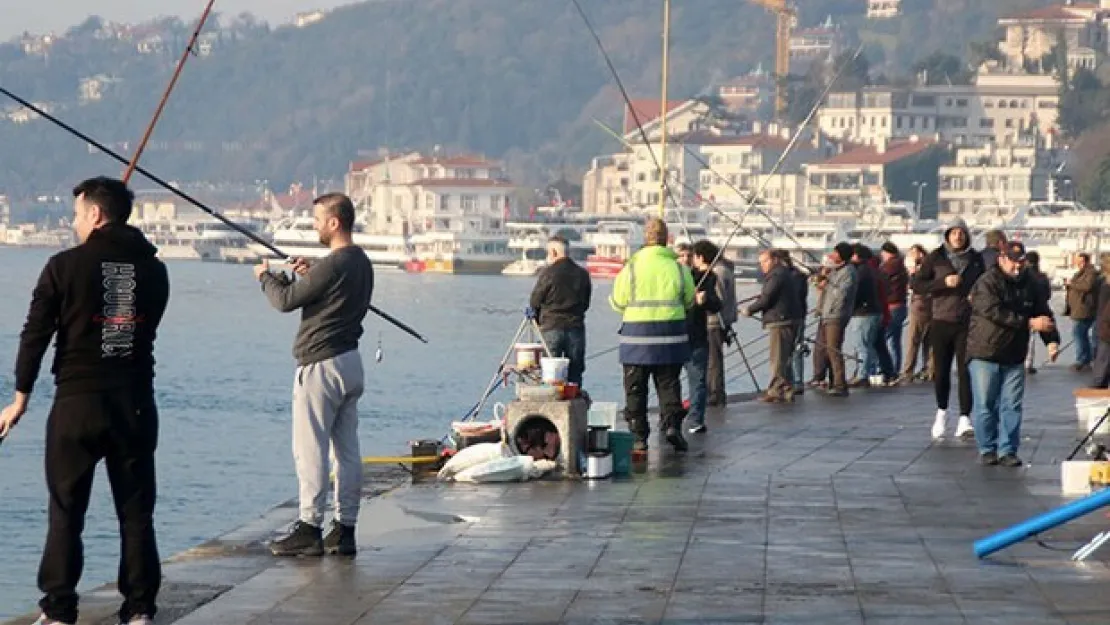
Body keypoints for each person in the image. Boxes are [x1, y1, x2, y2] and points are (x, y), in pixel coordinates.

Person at [0, 177, 170, 625]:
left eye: (77, 214)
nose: (74, 223)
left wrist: (20, 397)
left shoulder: (63, 266)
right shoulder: (155, 270)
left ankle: (58, 610)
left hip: (77, 403)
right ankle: (139, 610)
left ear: (95, 214)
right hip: (134, 403)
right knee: (136, 512)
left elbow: (35, 335)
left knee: (65, 510)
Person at [255, 193, 374, 558]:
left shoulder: (334, 263)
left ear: (335, 222)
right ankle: (345, 530)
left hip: (320, 365)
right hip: (351, 362)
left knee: (310, 449)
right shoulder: (361, 263)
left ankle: (309, 527)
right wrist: (311, 276)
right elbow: (330, 294)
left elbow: (285, 301)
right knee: (348, 451)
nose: (315, 226)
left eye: (318, 220)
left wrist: (265, 277)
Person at [967, 241, 1059, 467]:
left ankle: (1008, 449)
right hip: (985, 352)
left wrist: (1052, 340)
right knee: (985, 404)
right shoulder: (987, 282)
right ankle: (987, 447)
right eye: (1012, 261)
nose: (1017, 266)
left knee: (1012, 404)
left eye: (1020, 261)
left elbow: (1042, 312)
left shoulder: (1031, 283)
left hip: (1015, 353)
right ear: (1001, 259)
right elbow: (994, 312)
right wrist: (1029, 323)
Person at [610, 218, 695, 453]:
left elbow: (618, 302)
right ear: (666, 239)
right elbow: (689, 300)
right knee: (669, 385)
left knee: (635, 388)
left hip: (636, 337)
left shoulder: (631, 268)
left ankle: (639, 436)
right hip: (671, 335)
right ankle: (672, 427)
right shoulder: (679, 268)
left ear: (645, 238)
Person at [913, 218, 985, 440]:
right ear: (947, 236)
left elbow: (985, 283)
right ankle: (941, 412)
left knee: (966, 371)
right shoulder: (936, 257)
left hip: (966, 321)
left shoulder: (975, 259)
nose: (957, 236)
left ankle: (965, 418)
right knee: (941, 371)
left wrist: (976, 295)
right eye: (953, 233)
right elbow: (916, 284)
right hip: (940, 319)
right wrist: (943, 283)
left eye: (961, 233)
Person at [528, 235, 592, 386]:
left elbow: (535, 301)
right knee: (575, 373)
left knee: (550, 373)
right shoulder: (582, 274)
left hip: (551, 327)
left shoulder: (548, 273)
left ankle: (550, 405)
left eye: (548, 252)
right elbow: (585, 303)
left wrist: (537, 320)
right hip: (575, 327)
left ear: (554, 252)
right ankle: (574, 404)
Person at [742, 248, 804, 402]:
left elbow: (766, 298)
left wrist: (749, 310)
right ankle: (786, 389)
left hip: (780, 320)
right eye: (761, 262)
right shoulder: (785, 273)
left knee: (777, 358)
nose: (762, 265)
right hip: (789, 318)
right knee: (784, 357)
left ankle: (776, 390)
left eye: (765, 261)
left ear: (775, 260)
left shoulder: (776, 275)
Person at [677, 242, 721, 433]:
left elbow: (716, 304)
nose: (686, 259)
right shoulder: (672, 278)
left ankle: (696, 419)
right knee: (670, 381)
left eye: (689, 256)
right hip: (676, 335)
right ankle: (671, 417)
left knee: (698, 380)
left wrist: (705, 300)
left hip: (696, 334)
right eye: (682, 256)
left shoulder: (703, 277)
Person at [816, 242, 858, 397]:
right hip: (828, 314)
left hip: (836, 315)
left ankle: (840, 384)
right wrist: (823, 276)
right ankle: (833, 380)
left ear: (841, 255)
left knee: (834, 349)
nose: (832, 255)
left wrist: (830, 283)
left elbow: (841, 294)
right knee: (828, 349)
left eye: (835, 253)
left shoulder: (848, 272)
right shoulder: (835, 270)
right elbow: (823, 288)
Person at [704, 244, 737, 407]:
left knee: (713, 360)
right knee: (714, 359)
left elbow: (718, 299)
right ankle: (715, 391)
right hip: (724, 320)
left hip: (715, 321)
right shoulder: (727, 270)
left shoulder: (717, 273)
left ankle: (715, 393)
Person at [900, 244, 933, 383]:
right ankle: (930, 370)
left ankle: (909, 371)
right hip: (929, 304)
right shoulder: (931, 266)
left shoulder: (923, 269)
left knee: (914, 339)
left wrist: (913, 271)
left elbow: (915, 285)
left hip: (921, 304)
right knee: (928, 341)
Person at [1065, 252, 1099, 372]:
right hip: (1079, 309)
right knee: (1081, 334)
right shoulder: (1080, 274)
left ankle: (1082, 359)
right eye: (1077, 262)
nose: (1079, 264)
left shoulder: (1091, 273)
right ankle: (1086, 358)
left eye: (1081, 261)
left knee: (1078, 333)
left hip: (1085, 310)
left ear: (1086, 261)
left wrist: (1071, 284)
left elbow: (1087, 286)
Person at [879, 242, 909, 376]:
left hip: (891, 306)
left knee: (881, 339)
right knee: (895, 341)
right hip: (901, 305)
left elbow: (881, 283)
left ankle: (884, 370)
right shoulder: (901, 265)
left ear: (886, 252)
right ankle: (895, 368)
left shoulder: (888, 266)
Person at [1092, 254, 1110, 388]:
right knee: (1103, 355)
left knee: (1102, 355)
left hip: (1103, 323)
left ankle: (1099, 382)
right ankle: (1099, 382)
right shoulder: (1103, 284)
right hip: (1104, 324)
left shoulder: (1102, 283)